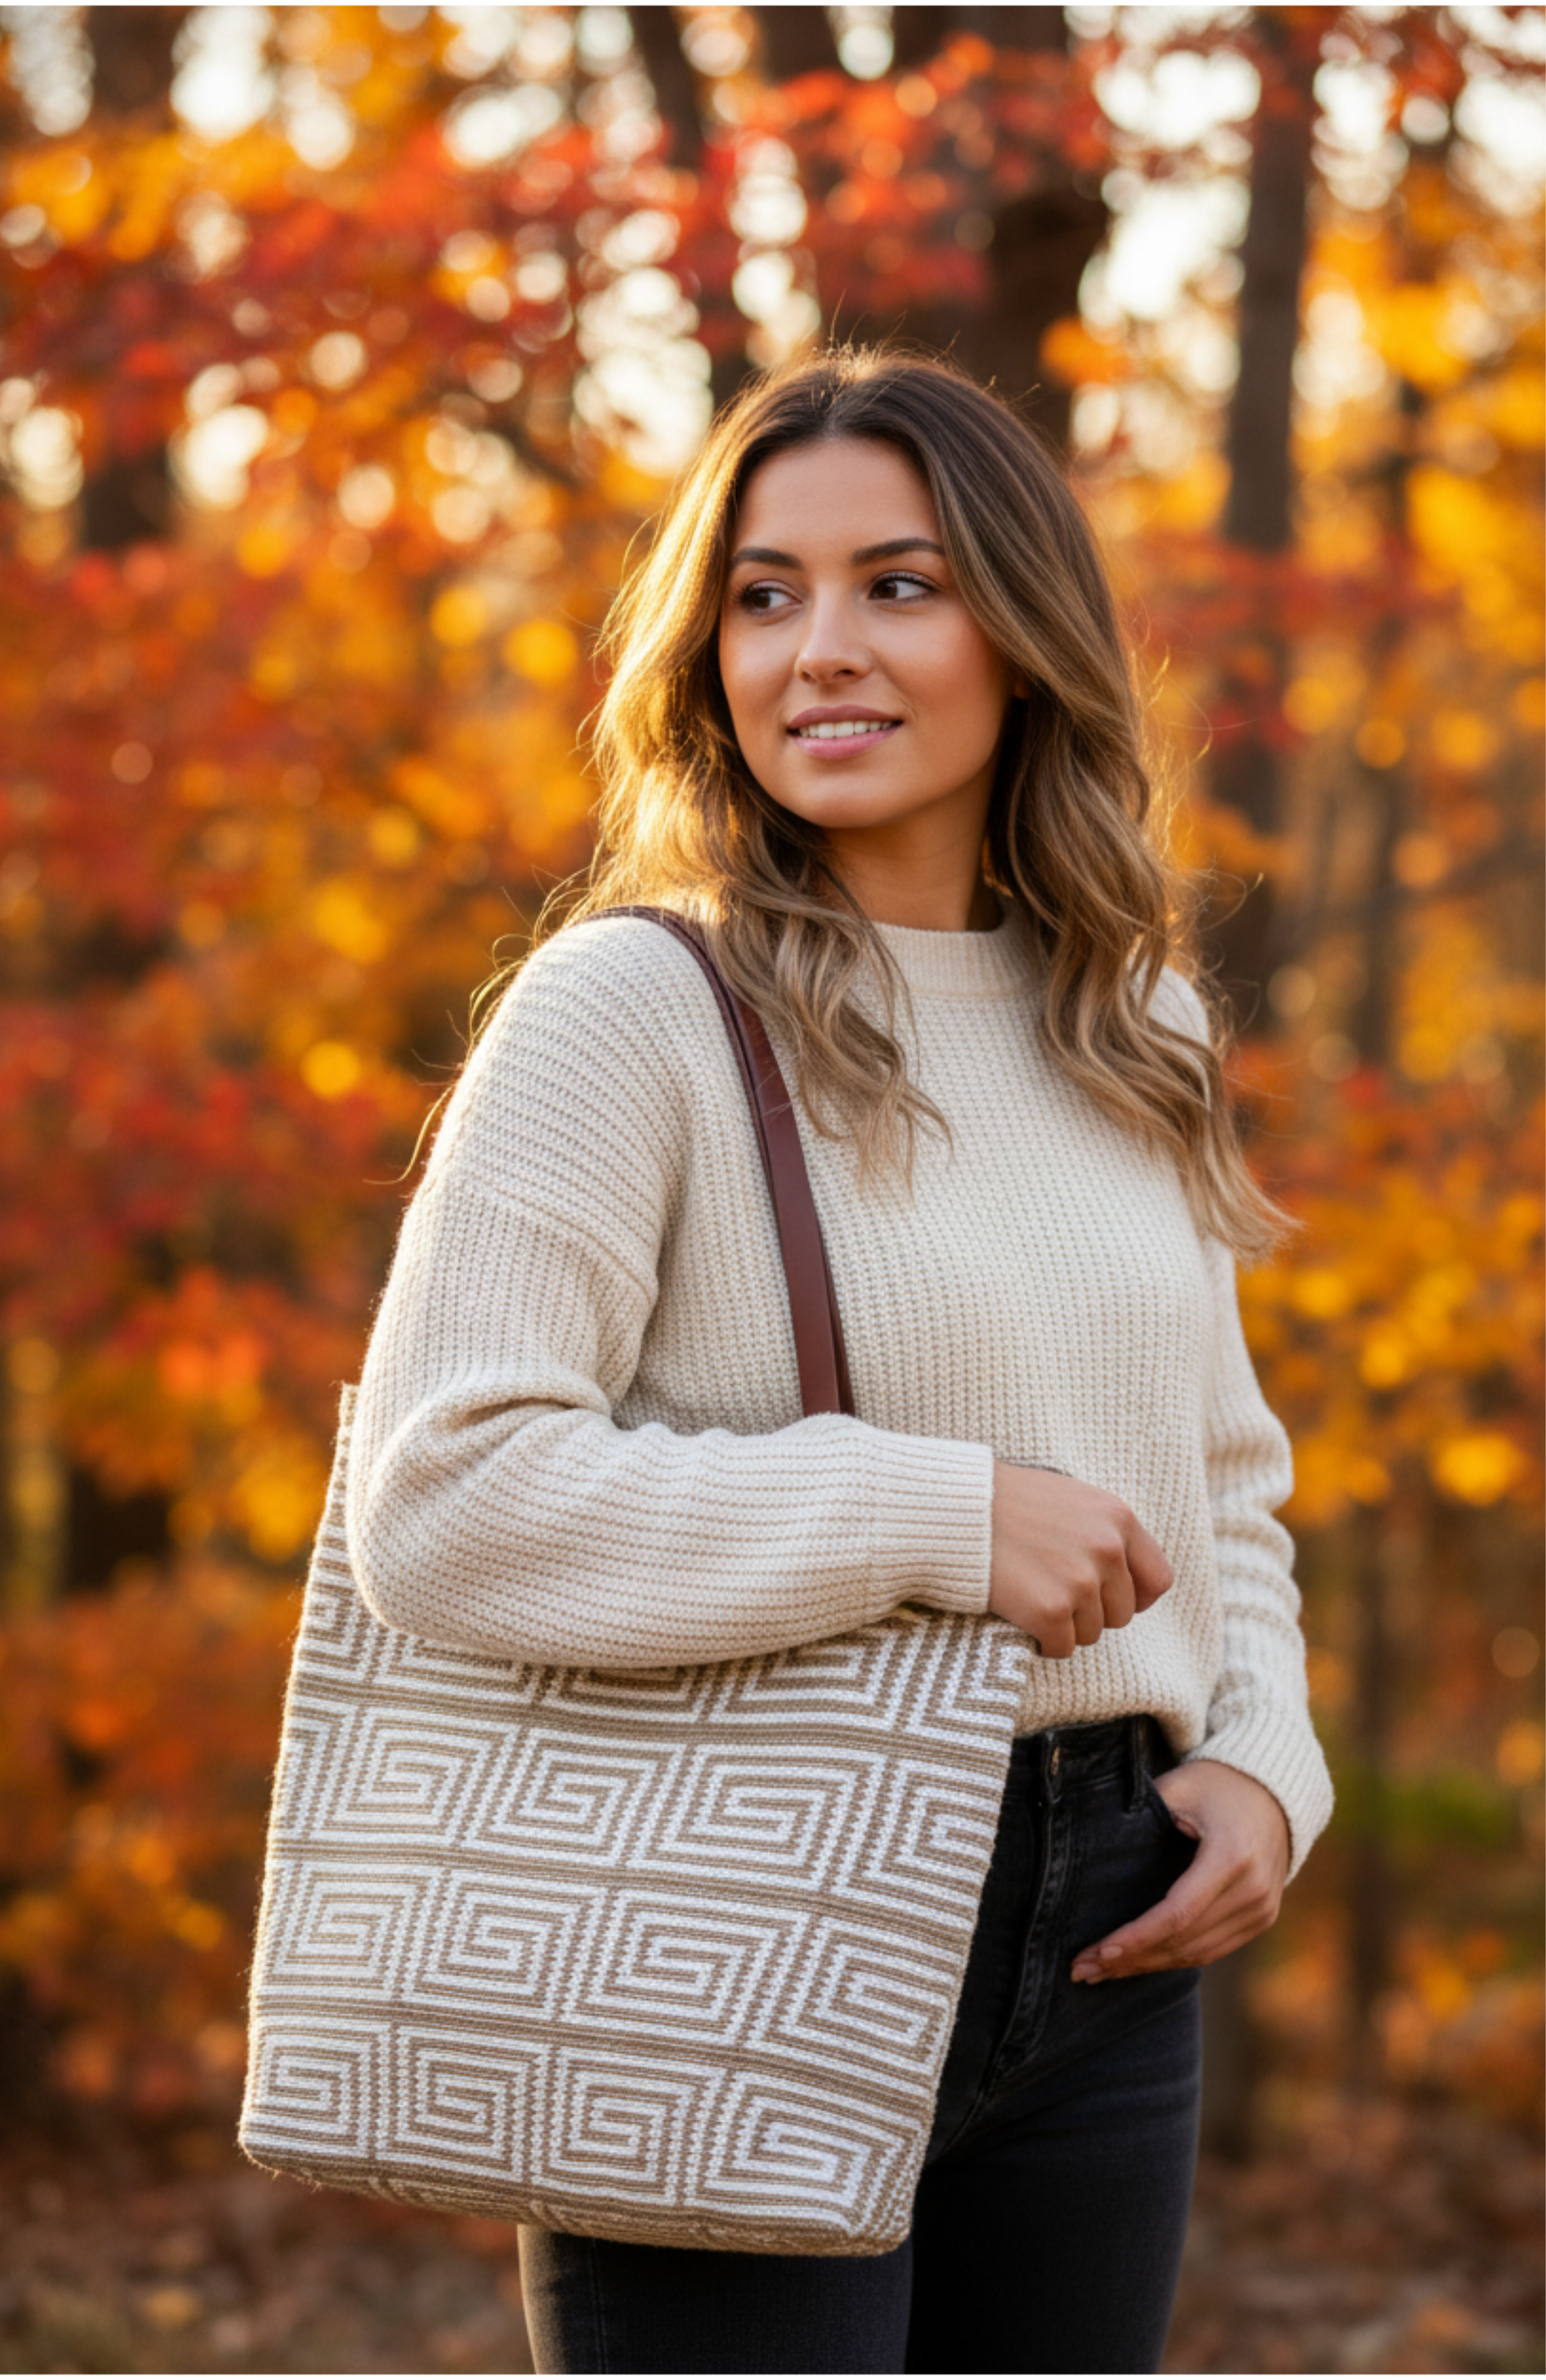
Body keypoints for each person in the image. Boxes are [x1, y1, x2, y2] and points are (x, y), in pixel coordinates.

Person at [345, 348, 1332, 2377]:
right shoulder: (629, 1010)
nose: (819, 652)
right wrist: (936, 1515)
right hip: (736, 1897)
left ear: (1023, 630)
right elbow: (441, 1500)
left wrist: (1259, 1756)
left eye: (899, 583)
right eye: (763, 595)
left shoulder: (1128, 1020)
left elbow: (1220, 1472)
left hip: (1110, 1938)